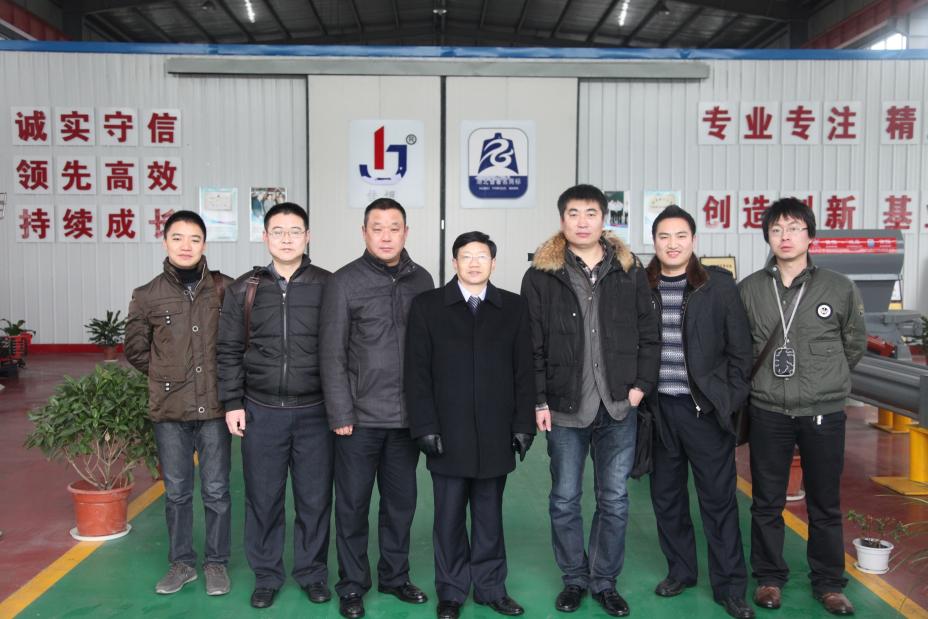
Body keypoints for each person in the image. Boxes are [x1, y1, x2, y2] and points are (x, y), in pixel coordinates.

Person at [521, 184, 660, 617]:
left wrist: (640, 386)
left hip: (619, 404)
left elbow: (649, 332)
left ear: (604, 219)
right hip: (565, 406)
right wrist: (539, 400)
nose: (582, 222)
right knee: (564, 499)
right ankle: (574, 579)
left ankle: (604, 581)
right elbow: (531, 345)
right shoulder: (541, 275)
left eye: (591, 213)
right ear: (562, 219)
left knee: (614, 499)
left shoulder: (629, 269)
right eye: (574, 214)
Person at [738, 198, 866, 616]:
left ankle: (828, 583)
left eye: (794, 228)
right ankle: (769, 578)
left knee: (824, 503)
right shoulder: (751, 289)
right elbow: (741, 347)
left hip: (822, 411)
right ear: (767, 238)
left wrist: (825, 380)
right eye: (776, 230)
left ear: (811, 235)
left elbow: (853, 344)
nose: (785, 237)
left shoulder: (838, 287)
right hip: (768, 410)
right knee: (766, 501)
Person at [405, 231, 535, 619]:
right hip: (447, 432)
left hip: (496, 431)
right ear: (454, 262)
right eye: (466, 256)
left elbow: (524, 370)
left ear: (493, 263)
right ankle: (451, 591)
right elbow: (416, 373)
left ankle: (491, 588)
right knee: (447, 517)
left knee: (489, 516)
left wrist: (523, 423)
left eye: (482, 256)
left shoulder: (513, 307)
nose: (474, 263)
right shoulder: (428, 306)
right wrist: (424, 425)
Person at [320, 198, 434, 619]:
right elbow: (331, 353)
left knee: (400, 505)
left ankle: (395, 576)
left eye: (394, 227)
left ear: (406, 232)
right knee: (352, 506)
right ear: (364, 232)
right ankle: (352, 585)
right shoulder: (344, 282)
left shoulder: (422, 280)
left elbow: (430, 351)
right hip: (359, 419)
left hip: (406, 419)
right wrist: (340, 413)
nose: (386, 236)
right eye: (377, 228)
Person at [217, 202, 333, 610]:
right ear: (265, 237)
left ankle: (312, 573)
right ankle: (266, 575)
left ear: (307, 237)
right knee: (263, 499)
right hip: (261, 410)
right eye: (278, 231)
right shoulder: (243, 289)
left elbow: (342, 348)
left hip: (316, 411)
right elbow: (228, 350)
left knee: (314, 500)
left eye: (295, 231)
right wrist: (232, 402)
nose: (287, 239)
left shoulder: (329, 285)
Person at [643, 205, 754, 619]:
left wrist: (726, 399)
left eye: (680, 236)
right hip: (659, 411)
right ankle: (681, 571)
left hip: (704, 412)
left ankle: (730, 587)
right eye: (664, 237)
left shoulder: (717, 286)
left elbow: (741, 351)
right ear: (654, 242)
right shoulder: (641, 286)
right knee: (667, 499)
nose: (672, 244)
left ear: (693, 240)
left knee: (718, 501)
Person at [125, 210, 233, 597]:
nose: (186, 246)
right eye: (178, 238)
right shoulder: (146, 295)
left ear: (204, 244)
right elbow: (136, 350)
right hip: (170, 411)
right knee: (177, 492)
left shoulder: (224, 289)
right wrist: (169, 375)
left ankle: (216, 563)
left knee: (217, 490)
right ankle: (182, 563)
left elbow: (238, 343)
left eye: (194, 239)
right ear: (165, 242)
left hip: (215, 409)